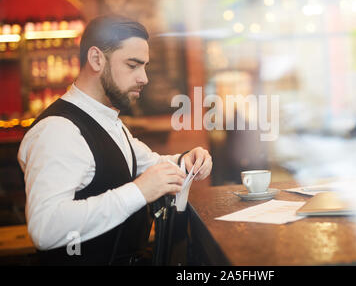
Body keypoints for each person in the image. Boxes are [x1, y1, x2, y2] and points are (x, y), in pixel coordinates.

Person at [17, 15, 212, 265]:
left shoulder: (108, 120)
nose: (144, 78)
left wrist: (187, 162)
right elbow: (45, 228)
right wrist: (140, 191)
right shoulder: (58, 130)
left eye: (145, 66)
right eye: (133, 65)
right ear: (97, 59)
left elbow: (149, 164)